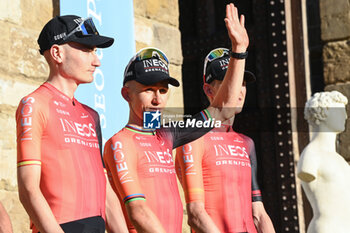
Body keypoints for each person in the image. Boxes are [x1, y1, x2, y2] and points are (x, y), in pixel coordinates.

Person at [103, 3, 249, 233]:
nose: (157, 100)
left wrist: (239, 52)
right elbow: (138, 212)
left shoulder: (168, 135)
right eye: (149, 90)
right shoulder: (119, 142)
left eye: (162, 91)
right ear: (126, 94)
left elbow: (223, 110)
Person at [16, 15, 127, 233]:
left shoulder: (91, 115)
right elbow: (28, 189)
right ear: (57, 53)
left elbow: (103, 188)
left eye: (95, 51)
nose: (96, 61)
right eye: (87, 50)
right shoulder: (33, 104)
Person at [175, 48, 275, 233]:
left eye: (242, 82)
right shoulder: (193, 139)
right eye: (231, 81)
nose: (238, 90)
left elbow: (258, 212)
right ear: (208, 89)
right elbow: (196, 214)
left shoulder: (246, 143)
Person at [297, 91, 350, 233]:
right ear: (323, 113)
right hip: (327, 228)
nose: (345, 116)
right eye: (339, 112)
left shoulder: (340, 161)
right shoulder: (312, 154)